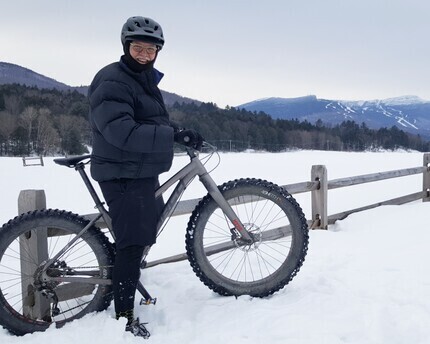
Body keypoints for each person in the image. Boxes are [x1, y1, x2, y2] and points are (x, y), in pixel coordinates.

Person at [88, 16, 204, 338]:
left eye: (150, 49)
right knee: (132, 243)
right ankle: (123, 314)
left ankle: (128, 283)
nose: (144, 54)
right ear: (126, 47)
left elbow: (149, 119)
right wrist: (171, 137)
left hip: (138, 169)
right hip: (122, 172)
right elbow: (121, 131)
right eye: (137, 47)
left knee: (142, 232)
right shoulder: (113, 80)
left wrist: (179, 132)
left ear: (157, 52)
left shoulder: (141, 80)